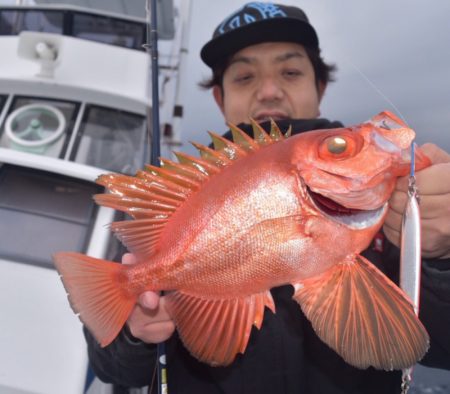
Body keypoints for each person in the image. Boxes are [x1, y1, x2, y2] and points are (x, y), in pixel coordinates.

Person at [85, 3, 450, 393]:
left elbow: (440, 349)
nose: (270, 91)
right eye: (244, 77)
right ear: (220, 99)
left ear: (320, 86)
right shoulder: (181, 197)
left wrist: (441, 261)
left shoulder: (396, 199)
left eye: (290, 72)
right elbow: (114, 371)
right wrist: (134, 333)